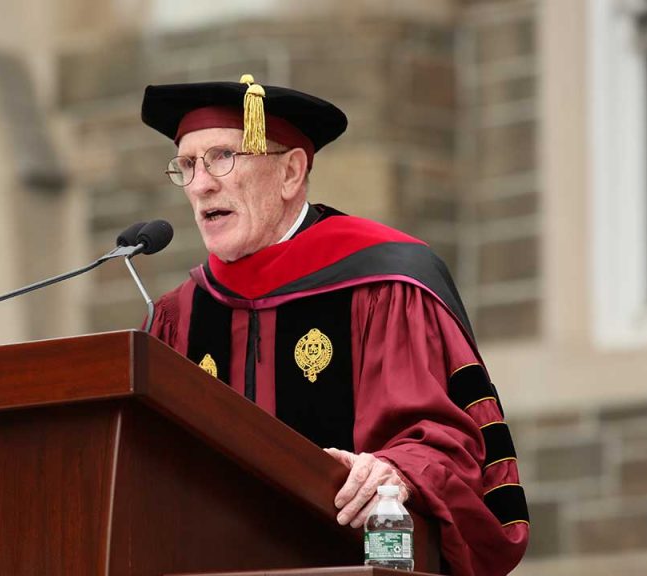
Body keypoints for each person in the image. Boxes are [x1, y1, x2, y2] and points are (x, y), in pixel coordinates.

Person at [141, 75, 529, 576]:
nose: (200, 184)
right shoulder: (180, 317)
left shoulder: (386, 283)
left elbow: (447, 442)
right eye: (187, 165)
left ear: (291, 172)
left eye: (222, 157)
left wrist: (395, 471)